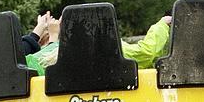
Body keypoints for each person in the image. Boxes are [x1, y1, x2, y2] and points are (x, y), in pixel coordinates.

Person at [25, 15, 173, 75]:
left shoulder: (49, 54)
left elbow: (22, 66)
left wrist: (45, 37)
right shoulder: (109, 46)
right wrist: (162, 25)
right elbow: (145, 53)